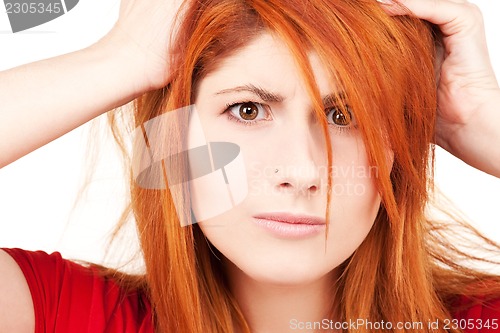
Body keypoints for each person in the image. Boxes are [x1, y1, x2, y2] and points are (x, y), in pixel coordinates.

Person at [1, 0, 499, 332]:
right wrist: (119, 59)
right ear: (173, 141)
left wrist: (477, 116)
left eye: (345, 116)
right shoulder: (67, 315)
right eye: (248, 110)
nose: (302, 171)